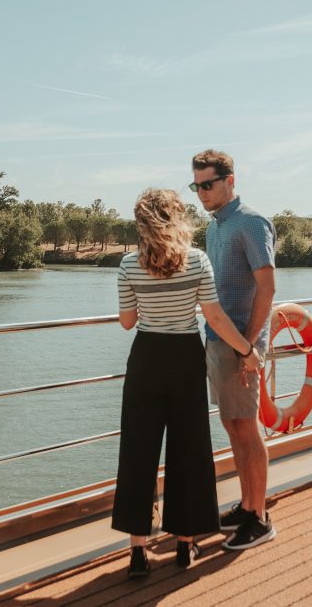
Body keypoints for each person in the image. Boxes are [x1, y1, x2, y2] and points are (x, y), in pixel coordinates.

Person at [112, 188, 265, 577]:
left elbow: (127, 322)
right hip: (184, 358)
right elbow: (214, 317)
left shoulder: (128, 265)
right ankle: (184, 545)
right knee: (189, 450)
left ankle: (137, 552)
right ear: (178, 219)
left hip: (146, 359)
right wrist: (246, 350)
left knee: (138, 452)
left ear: (142, 225)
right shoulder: (197, 261)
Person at [190, 149, 277, 551]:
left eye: (208, 184)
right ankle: (247, 505)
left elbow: (267, 288)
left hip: (241, 345)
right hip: (216, 339)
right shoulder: (213, 228)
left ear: (230, 180)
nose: (202, 193)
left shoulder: (251, 223)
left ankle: (259, 518)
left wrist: (249, 346)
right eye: (197, 186)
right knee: (233, 425)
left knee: (247, 427)